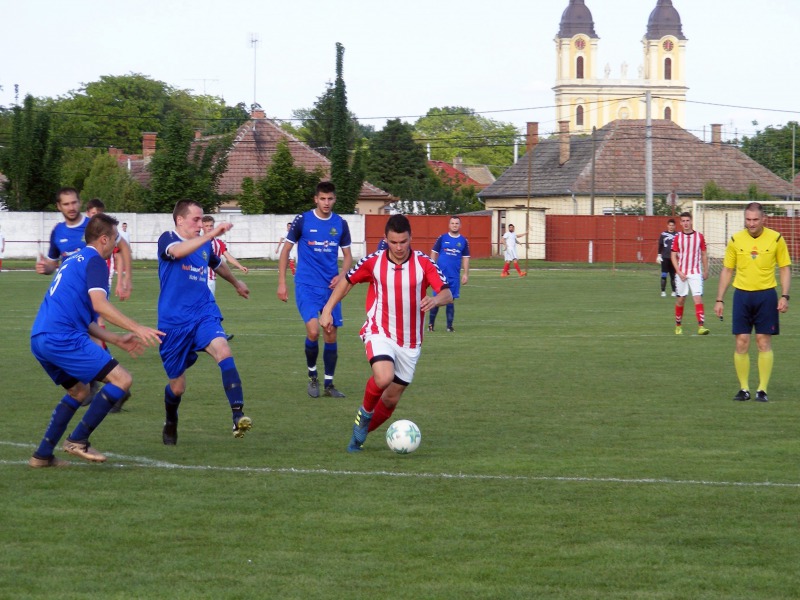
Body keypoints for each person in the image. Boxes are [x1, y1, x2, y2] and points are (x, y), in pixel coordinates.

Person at [28, 213, 163, 467]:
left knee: (79, 390)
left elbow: (86, 317)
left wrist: (116, 339)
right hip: (63, 337)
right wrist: (137, 326)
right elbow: (99, 305)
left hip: (40, 338)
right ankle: (78, 440)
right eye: (114, 239)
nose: (116, 245)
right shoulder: (96, 262)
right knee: (122, 379)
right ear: (103, 239)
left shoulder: (72, 260)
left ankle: (42, 456)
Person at [320, 214, 452, 452]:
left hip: (411, 342)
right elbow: (347, 281)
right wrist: (328, 309)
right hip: (379, 330)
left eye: (403, 242)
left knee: (391, 398)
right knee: (383, 377)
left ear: (410, 238)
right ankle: (364, 413)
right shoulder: (374, 261)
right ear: (386, 239)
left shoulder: (423, 264)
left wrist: (435, 299)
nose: (399, 247)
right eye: (393, 242)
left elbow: (447, 292)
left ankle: (360, 432)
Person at [157, 200, 252, 445]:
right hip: (173, 324)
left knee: (223, 349)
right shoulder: (167, 238)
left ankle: (237, 414)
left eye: (202, 220)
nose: (200, 224)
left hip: (203, 313)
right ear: (180, 220)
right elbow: (178, 252)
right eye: (195, 220)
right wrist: (211, 233)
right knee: (177, 388)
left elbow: (217, 263)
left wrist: (236, 283)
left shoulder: (204, 245)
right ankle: (170, 419)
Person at [276, 181, 353, 398]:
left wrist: (341, 276)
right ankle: (312, 376)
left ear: (334, 199)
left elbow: (347, 257)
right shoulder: (303, 220)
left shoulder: (340, 224)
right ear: (315, 199)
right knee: (313, 331)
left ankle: (329, 385)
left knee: (330, 333)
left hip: (331, 288)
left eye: (330, 199)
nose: (326, 202)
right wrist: (282, 282)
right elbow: (285, 251)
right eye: (322, 198)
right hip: (307, 285)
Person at [714, 202, 791, 403]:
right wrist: (719, 299)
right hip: (742, 296)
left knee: (763, 341)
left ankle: (762, 390)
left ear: (763, 219)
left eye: (755, 219)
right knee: (741, 341)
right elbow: (727, 270)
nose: (751, 223)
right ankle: (744, 389)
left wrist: (785, 295)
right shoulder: (735, 240)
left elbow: (784, 268)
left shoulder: (776, 238)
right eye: (748, 219)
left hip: (766, 296)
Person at [37, 188, 131, 300]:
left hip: (95, 289)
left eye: (74, 203)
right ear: (59, 206)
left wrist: (128, 278)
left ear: (80, 202)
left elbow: (123, 246)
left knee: (98, 315)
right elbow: (53, 263)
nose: (71, 208)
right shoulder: (57, 231)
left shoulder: (95, 225)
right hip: (69, 292)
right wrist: (45, 267)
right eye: (66, 204)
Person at [202, 215, 248, 341]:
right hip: (198, 280)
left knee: (208, 306)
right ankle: (217, 333)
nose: (209, 228)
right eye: (206, 226)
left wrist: (240, 266)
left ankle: (215, 332)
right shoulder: (197, 241)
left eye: (211, 225)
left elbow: (228, 257)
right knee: (208, 306)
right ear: (202, 226)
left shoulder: (218, 243)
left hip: (210, 280)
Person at [428, 216, 470, 332]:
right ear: (449, 225)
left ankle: (449, 326)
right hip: (440, 276)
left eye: (457, 223)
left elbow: (466, 258)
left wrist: (466, 274)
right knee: (437, 300)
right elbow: (434, 252)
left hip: (454, 276)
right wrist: (432, 268)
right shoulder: (442, 238)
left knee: (450, 300)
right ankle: (431, 325)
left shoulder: (463, 241)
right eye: (452, 223)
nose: (455, 225)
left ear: (460, 225)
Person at [671, 212, 710, 335]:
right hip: (681, 272)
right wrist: (678, 271)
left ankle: (701, 327)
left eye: (688, 220)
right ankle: (678, 325)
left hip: (695, 272)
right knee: (681, 299)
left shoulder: (699, 236)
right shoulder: (677, 237)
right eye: (683, 221)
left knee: (697, 298)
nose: (686, 223)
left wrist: (706, 269)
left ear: (691, 221)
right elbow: (673, 255)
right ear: (681, 223)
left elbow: (703, 254)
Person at [657, 218, 677, 297]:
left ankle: (674, 291)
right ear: (667, 226)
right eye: (670, 225)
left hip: (673, 258)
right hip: (665, 258)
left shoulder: (677, 234)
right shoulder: (663, 234)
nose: (671, 227)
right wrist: (658, 255)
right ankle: (663, 291)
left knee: (673, 275)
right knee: (664, 275)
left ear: (675, 226)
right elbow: (660, 245)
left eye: (672, 225)